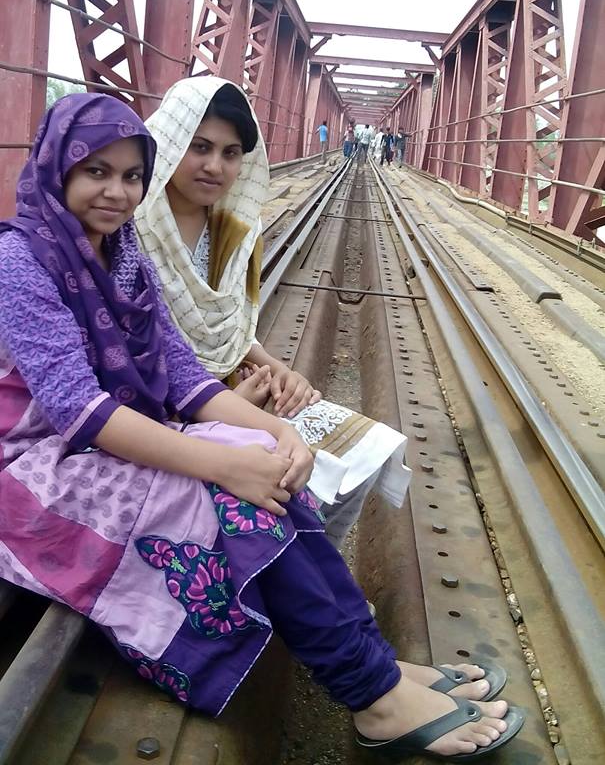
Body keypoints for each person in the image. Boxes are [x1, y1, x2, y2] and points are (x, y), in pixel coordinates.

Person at [0, 93, 524, 760]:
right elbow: (77, 408)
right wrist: (225, 464)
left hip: (110, 436)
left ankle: (373, 666)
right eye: (95, 171)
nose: (117, 191)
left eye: (131, 175)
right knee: (237, 498)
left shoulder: (123, 256)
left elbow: (182, 375)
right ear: (56, 167)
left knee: (264, 467)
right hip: (36, 464)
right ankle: (372, 692)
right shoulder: (20, 258)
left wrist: (280, 435)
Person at [135, 77, 410, 550]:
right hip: (159, 408)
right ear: (169, 141)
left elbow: (232, 327)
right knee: (289, 475)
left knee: (367, 450)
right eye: (199, 147)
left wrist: (280, 370)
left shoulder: (236, 228)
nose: (215, 166)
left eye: (230, 153)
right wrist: (229, 404)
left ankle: (315, 559)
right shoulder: (132, 226)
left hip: (228, 387)